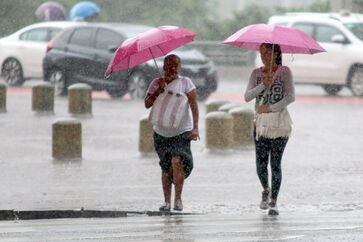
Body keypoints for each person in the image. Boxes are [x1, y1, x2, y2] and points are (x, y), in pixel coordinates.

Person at [244, 43, 295, 216]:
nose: (263, 56)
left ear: (276, 54)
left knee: (275, 163)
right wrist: (262, 85)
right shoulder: (256, 73)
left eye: (267, 52)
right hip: (260, 126)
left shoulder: (284, 72)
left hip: (279, 124)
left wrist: (271, 107)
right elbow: (247, 97)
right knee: (260, 163)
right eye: (261, 53)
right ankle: (266, 189)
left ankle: (274, 201)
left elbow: (290, 96)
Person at [144, 54, 199, 212]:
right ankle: (166, 202)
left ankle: (178, 199)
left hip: (181, 131)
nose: (173, 69)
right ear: (163, 67)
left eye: (176, 65)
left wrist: (195, 128)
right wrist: (158, 91)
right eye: (169, 65)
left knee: (177, 161)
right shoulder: (156, 83)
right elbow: (147, 104)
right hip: (161, 132)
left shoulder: (186, 83)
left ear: (180, 67)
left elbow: (194, 105)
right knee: (166, 167)